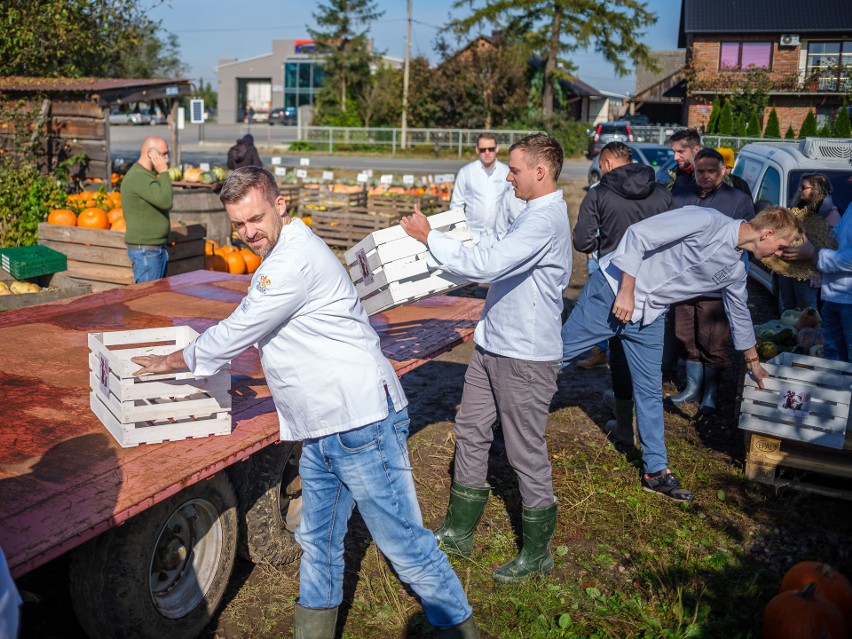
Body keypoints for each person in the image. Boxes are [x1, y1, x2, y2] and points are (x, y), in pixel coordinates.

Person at [131, 167, 478, 639]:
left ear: (280, 205)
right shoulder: (286, 251)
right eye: (238, 224)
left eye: (255, 218)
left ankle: (456, 625)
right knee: (318, 538)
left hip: (361, 422)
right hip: (322, 426)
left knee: (404, 543)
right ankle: (313, 629)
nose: (249, 232)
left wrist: (177, 359)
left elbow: (239, 330)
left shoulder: (291, 262)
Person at [400, 133, 571, 584]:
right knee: (471, 431)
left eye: (514, 170)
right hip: (494, 344)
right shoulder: (528, 213)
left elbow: (490, 265)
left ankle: (538, 553)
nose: (507, 177)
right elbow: (487, 253)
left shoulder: (545, 220)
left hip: (526, 355)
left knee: (525, 451)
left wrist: (431, 237)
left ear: (540, 171)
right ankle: (459, 531)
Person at [561, 205, 803, 501]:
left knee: (650, 389)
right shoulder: (705, 220)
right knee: (555, 360)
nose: (778, 255)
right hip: (613, 292)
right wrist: (626, 290)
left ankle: (656, 471)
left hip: (649, 314)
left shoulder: (739, 266)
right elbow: (638, 235)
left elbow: (738, 311)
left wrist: (753, 361)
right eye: (780, 247)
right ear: (766, 233)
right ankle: (496, 416)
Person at [573, 141, 673, 442]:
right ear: (630, 160)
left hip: (613, 282)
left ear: (605, 163)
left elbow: (582, 242)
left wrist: (600, 244)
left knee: (615, 347)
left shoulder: (599, 193)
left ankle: (624, 428)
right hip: (654, 285)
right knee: (648, 367)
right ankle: (650, 448)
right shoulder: (662, 192)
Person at [666, 148, 754, 414]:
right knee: (686, 334)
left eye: (711, 171)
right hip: (683, 280)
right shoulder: (681, 194)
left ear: (723, 171)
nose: (705, 176)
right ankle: (693, 387)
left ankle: (711, 393)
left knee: (713, 338)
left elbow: (746, 237)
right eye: (700, 171)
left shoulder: (738, 200)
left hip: (717, 285)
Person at [781, 195, 852, 362]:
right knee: (832, 361)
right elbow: (835, 237)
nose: (850, 180)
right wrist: (804, 240)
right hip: (834, 298)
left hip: (848, 302)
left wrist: (815, 254)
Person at [776, 173, 836, 313]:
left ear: (816, 190)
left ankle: (809, 336)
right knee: (788, 310)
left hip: (808, 274)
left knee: (808, 313)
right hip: (786, 268)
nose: (799, 190)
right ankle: (789, 334)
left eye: (803, 187)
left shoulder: (831, 215)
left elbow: (831, 248)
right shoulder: (796, 209)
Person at [450, 132, 525, 240]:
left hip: (500, 236)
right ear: (477, 150)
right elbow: (456, 205)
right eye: (483, 149)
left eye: (491, 149)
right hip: (472, 234)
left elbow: (514, 203)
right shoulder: (466, 172)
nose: (487, 152)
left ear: (497, 148)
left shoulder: (507, 172)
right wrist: (462, 231)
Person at [121, 136, 172, 283]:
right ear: (150, 152)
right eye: (163, 154)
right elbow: (166, 201)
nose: (166, 159)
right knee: (149, 301)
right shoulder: (138, 176)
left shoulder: (145, 175)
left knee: (155, 299)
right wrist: (163, 172)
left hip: (153, 249)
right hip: (146, 251)